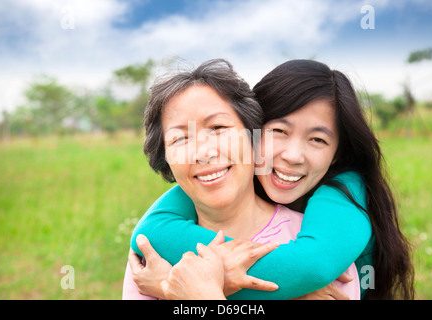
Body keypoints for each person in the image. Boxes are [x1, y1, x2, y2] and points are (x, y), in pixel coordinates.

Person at [126, 59, 415, 300]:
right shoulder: (156, 248)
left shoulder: (343, 195)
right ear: (255, 131)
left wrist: (194, 286)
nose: (292, 155)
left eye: (317, 139)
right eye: (278, 131)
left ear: (338, 153)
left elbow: (310, 268)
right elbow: (152, 230)